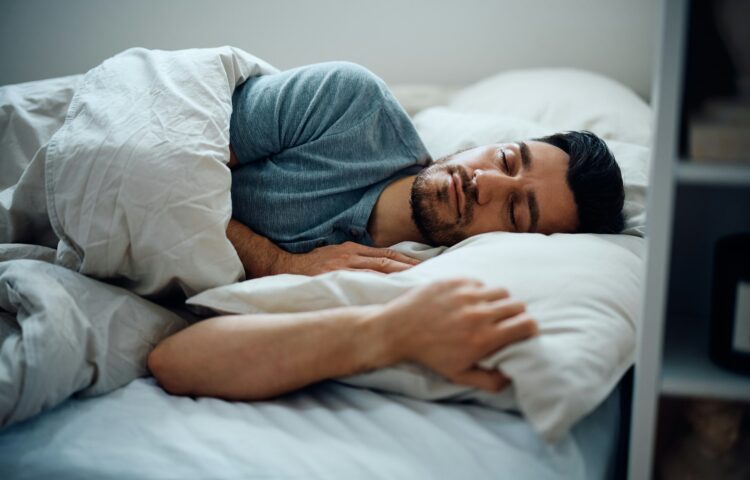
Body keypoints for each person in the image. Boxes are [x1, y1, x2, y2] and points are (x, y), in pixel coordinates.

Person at [147, 61, 625, 400]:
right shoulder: (349, 104)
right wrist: (278, 263)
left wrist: (388, 334)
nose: (485, 184)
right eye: (505, 159)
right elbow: (159, 159)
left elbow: (176, 361)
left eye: (517, 211)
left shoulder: (407, 278)